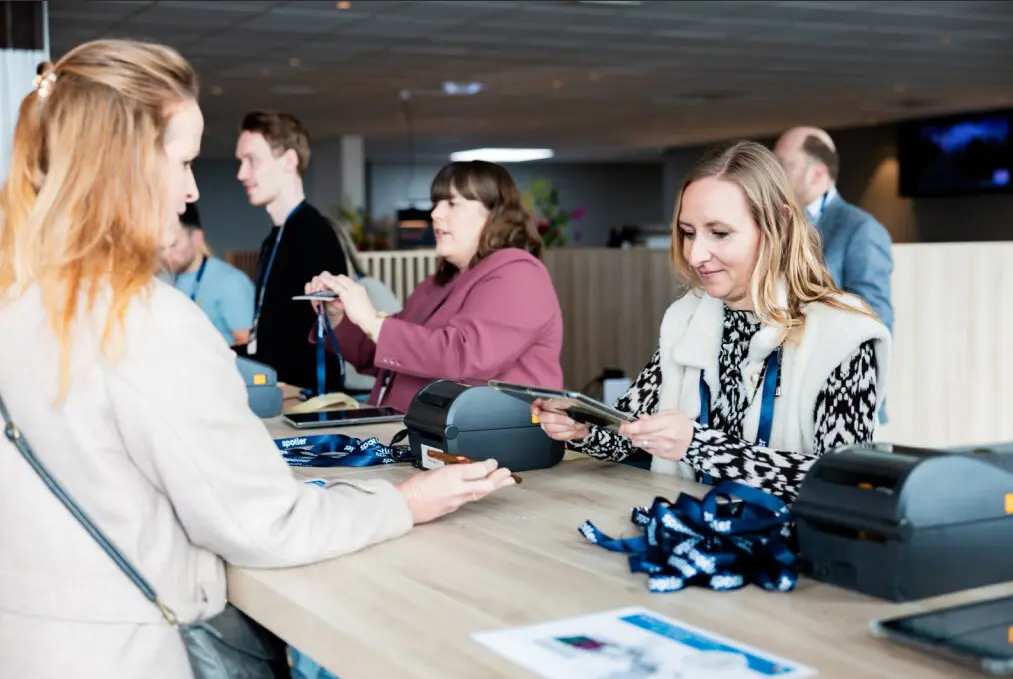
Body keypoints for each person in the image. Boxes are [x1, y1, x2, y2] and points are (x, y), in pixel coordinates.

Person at [0, 40, 516, 679]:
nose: (192, 190)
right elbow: (265, 525)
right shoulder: (143, 322)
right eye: (184, 161)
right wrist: (405, 502)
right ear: (122, 164)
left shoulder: (18, 302)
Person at [533, 141, 891, 503]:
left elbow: (845, 483)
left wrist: (700, 445)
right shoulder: (688, 318)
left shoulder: (842, 335)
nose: (695, 254)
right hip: (693, 535)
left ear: (778, 225)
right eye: (688, 232)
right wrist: (583, 427)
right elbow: (631, 430)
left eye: (719, 233)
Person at [304, 160, 564, 414]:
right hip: (418, 439)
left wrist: (371, 319)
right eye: (437, 203)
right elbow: (387, 354)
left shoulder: (519, 274)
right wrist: (337, 317)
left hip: (496, 447)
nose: (435, 214)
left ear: (495, 214)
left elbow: (463, 358)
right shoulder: (437, 284)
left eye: (452, 204)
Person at [236, 109, 346, 392]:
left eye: (252, 161)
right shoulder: (275, 238)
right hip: (283, 392)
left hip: (305, 400)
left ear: (289, 160)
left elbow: (317, 338)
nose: (241, 173)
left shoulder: (314, 235)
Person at [773, 126, 894, 334]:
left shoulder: (861, 229)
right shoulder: (776, 223)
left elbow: (875, 323)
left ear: (817, 174)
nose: (773, 175)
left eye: (782, 165)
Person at [161, 201, 256, 347]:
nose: (166, 255)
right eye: (160, 247)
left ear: (197, 238)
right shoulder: (164, 281)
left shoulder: (231, 282)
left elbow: (246, 343)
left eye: (173, 245)